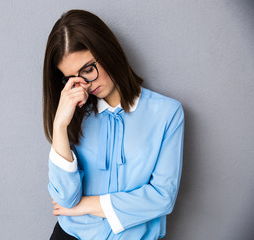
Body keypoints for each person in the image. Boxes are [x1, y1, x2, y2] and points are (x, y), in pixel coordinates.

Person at [43, 9, 185, 240]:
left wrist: (88, 205)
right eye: (74, 78)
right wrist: (59, 125)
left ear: (108, 51)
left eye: (89, 69)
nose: (86, 85)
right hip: (71, 235)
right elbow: (65, 200)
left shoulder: (167, 114)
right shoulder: (74, 114)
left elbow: (162, 198)